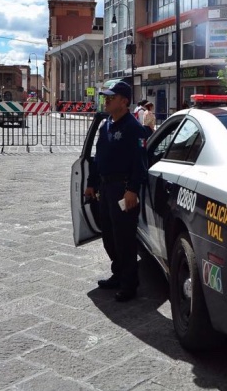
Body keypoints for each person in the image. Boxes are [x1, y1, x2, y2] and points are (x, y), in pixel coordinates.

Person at [83, 81, 147, 302]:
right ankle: (118, 274)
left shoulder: (133, 128)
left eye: (112, 97)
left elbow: (140, 163)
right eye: (106, 97)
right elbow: (98, 158)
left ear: (124, 101)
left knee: (124, 239)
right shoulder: (106, 125)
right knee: (109, 236)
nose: (107, 100)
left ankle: (130, 283)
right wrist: (91, 183)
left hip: (123, 189)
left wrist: (132, 190)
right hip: (105, 187)